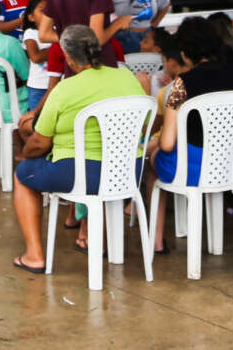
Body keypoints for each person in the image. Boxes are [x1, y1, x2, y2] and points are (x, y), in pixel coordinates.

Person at [9, 25, 145, 273]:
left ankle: (34, 256)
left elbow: (40, 143)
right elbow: (143, 123)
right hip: (128, 172)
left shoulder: (65, 89)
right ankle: (97, 240)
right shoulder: (126, 77)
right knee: (100, 170)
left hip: (82, 174)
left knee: (22, 176)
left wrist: (24, 153)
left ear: (68, 56)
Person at [144, 18, 233, 241]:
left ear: (184, 54)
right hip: (232, 164)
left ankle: (155, 241)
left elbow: (167, 144)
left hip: (193, 167)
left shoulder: (181, 83)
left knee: (153, 164)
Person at [18, 0, 57, 112]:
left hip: (58, 84)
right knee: (37, 120)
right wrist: (58, 47)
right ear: (31, 17)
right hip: (38, 86)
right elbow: (35, 57)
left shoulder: (57, 31)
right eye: (42, 10)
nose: (47, 14)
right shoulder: (31, 33)